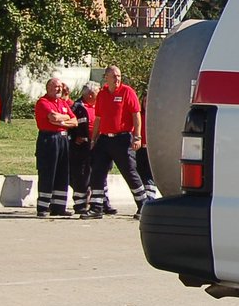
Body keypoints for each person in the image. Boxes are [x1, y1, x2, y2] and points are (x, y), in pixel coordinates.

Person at [88, 65, 158, 218]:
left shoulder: (127, 92)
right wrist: (94, 139)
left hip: (123, 138)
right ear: (106, 77)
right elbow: (98, 118)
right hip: (105, 139)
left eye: (119, 76)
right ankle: (96, 207)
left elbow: (136, 115)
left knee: (130, 172)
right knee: (97, 172)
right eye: (114, 76)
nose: (117, 79)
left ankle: (143, 205)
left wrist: (137, 136)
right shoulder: (102, 94)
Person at [34, 78, 77, 216]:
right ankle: (43, 207)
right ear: (48, 88)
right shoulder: (43, 102)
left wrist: (62, 121)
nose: (58, 89)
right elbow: (53, 117)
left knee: (62, 172)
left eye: (60, 87)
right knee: (48, 171)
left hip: (63, 139)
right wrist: (64, 119)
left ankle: (59, 207)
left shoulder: (63, 103)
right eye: (55, 87)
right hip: (49, 139)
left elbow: (75, 121)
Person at [69, 82, 97, 216]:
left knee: (96, 175)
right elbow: (70, 125)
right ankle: (79, 204)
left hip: (95, 145)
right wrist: (75, 137)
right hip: (81, 147)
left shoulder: (99, 105)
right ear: (90, 94)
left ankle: (98, 203)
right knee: (81, 176)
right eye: (98, 91)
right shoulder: (77, 107)